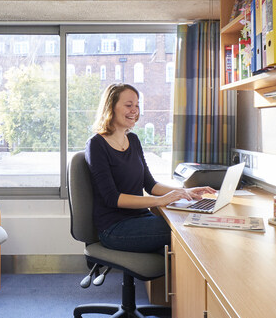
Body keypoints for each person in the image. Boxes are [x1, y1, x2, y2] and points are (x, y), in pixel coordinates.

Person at [84, 83, 213, 253]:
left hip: (141, 217)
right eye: (128, 105)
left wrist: (185, 192)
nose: (134, 110)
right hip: (115, 227)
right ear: (111, 107)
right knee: (187, 228)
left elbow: (150, 185)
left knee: (190, 221)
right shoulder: (96, 145)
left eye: (137, 105)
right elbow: (112, 198)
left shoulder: (133, 140)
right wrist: (160, 200)